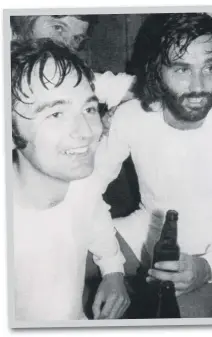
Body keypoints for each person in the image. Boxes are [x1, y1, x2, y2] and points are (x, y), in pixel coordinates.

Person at [88, 13, 212, 318]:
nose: (199, 86)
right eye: (182, 69)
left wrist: (207, 267)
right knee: (52, 255)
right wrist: (111, 270)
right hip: (142, 229)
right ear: (158, 72)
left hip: (208, 250)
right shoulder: (132, 115)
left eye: (210, 68)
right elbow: (88, 189)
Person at [11, 39, 130, 321]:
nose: (87, 132)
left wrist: (113, 271)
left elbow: (95, 213)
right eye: (55, 113)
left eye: (89, 109)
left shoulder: (81, 181)